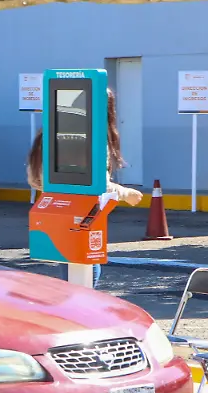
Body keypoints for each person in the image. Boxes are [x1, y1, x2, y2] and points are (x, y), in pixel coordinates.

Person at [27, 88, 142, 285]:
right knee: (86, 271)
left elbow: (35, 177)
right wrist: (126, 193)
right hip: (83, 214)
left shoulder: (51, 131)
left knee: (70, 267)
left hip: (56, 208)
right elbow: (96, 183)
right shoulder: (91, 137)